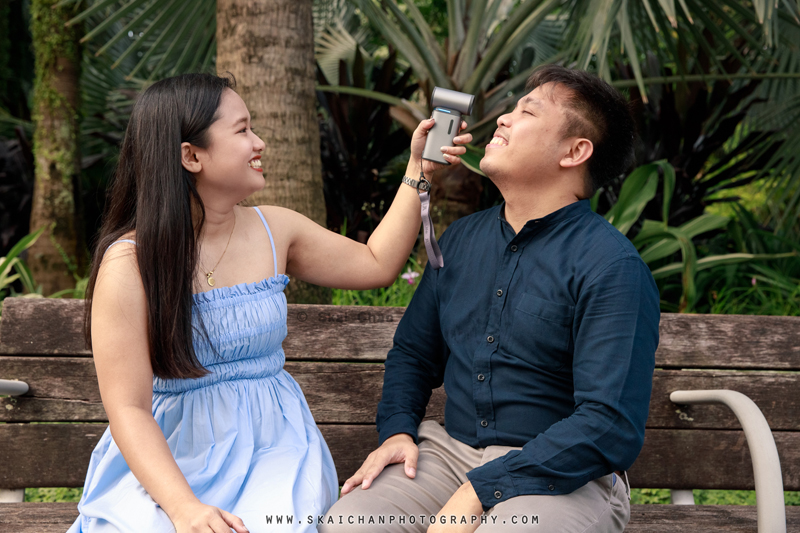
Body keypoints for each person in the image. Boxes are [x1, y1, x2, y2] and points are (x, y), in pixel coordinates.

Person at [66, 73, 471, 533]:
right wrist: (184, 509)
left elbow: (376, 263)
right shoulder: (129, 263)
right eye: (242, 130)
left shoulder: (274, 230)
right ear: (191, 155)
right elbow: (129, 409)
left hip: (274, 451)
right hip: (168, 458)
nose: (259, 142)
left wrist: (420, 169)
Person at [320, 65, 661, 533]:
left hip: (561, 473)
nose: (502, 118)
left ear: (574, 151)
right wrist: (397, 429)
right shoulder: (461, 239)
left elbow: (609, 424)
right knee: (350, 525)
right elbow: (414, 354)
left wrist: (479, 491)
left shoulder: (612, 266)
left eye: (527, 112)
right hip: (449, 455)